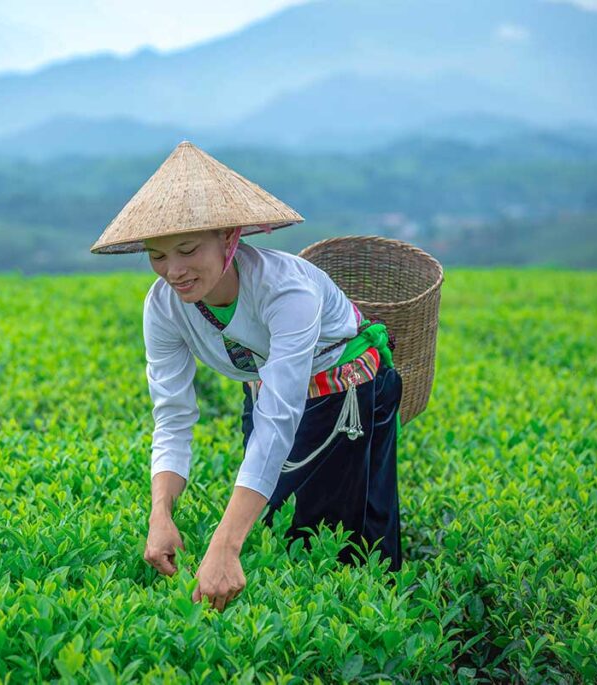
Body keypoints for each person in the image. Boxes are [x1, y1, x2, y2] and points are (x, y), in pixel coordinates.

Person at [90, 141, 403, 612]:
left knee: (337, 542)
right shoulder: (162, 306)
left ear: (229, 240)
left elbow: (280, 417)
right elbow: (173, 416)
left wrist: (224, 545)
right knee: (277, 524)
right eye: (157, 256)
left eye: (188, 249)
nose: (173, 271)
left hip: (346, 394)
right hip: (265, 391)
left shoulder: (286, 291)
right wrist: (161, 513)